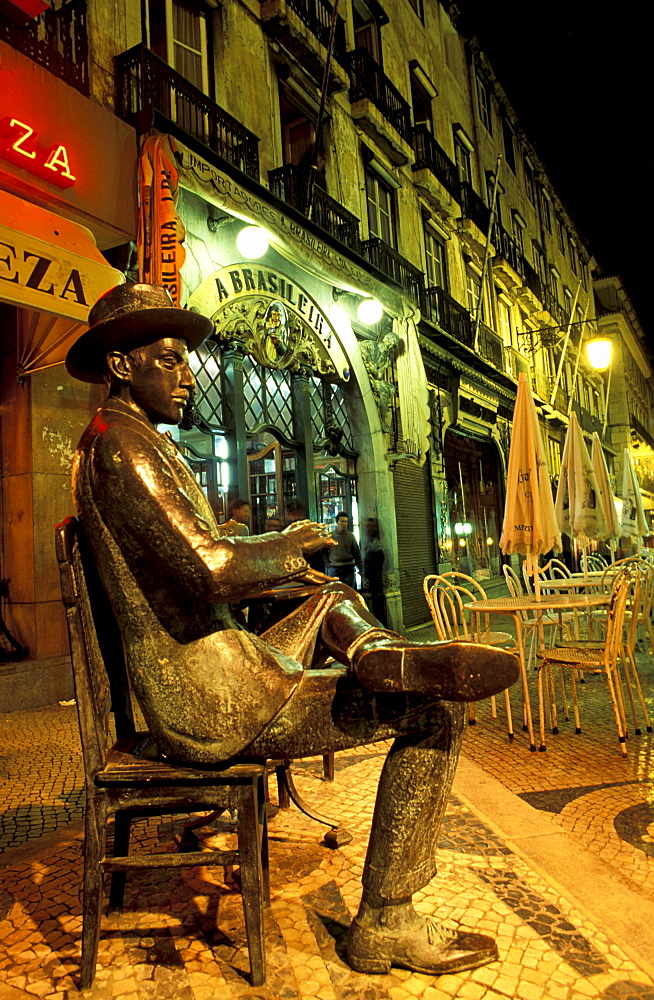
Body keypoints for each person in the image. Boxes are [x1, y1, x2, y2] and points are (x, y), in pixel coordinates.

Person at [65, 283, 519, 977]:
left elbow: (199, 567)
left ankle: (376, 650)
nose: (189, 375)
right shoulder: (122, 450)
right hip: (208, 700)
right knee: (432, 713)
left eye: (187, 359)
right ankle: (387, 923)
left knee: (322, 591)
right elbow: (212, 571)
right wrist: (288, 543)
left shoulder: (132, 443)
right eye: (170, 359)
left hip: (222, 667)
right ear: (122, 366)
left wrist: (281, 560)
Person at [326, 511, 362, 589]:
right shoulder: (331, 536)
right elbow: (323, 551)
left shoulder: (350, 536)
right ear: (337, 522)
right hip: (334, 568)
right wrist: (327, 564)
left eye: (346, 522)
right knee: (334, 591)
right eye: (342, 521)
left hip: (348, 568)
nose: (344, 524)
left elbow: (356, 552)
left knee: (349, 591)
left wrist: (360, 567)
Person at [362, 517, 387, 627]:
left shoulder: (376, 543)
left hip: (376, 579)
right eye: (367, 526)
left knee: (378, 606)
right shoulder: (370, 542)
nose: (368, 528)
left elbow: (377, 561)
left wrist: (369, 574)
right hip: (373, 578)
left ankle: (382, 628)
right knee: (376, 605)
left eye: (370, 526)